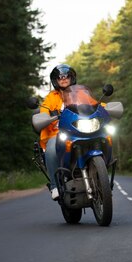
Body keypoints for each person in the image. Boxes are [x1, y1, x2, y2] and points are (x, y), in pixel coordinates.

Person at [39, 64, 77, 200]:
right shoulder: (51, 97)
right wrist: (45, 116)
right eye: (60, 77)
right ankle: (55, 186)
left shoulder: (79, 93)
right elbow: (44, 110)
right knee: (50, 148)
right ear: (55, 81)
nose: (63, 79)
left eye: (66, 76)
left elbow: (92, 103)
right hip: (58, 133)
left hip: (79, 132)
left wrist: (105, 107)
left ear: (71, 78)